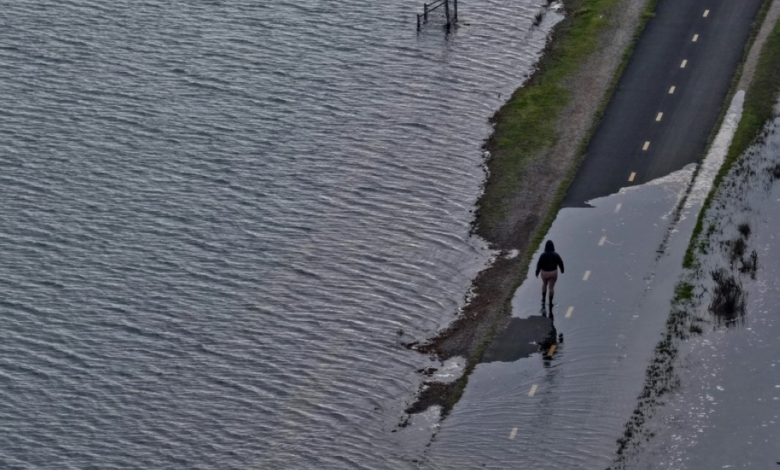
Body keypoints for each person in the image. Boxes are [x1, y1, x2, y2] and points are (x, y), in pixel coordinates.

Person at [535, 240, 565, 310]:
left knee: (544, 284)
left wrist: (537, 272)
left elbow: (539, 264)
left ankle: (543, 299)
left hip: (544, 272)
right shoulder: (556, 255)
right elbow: (560, 263)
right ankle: (550, 302)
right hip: (553, 272)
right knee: (551, 287)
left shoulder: (542, 255)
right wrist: (562, 270)